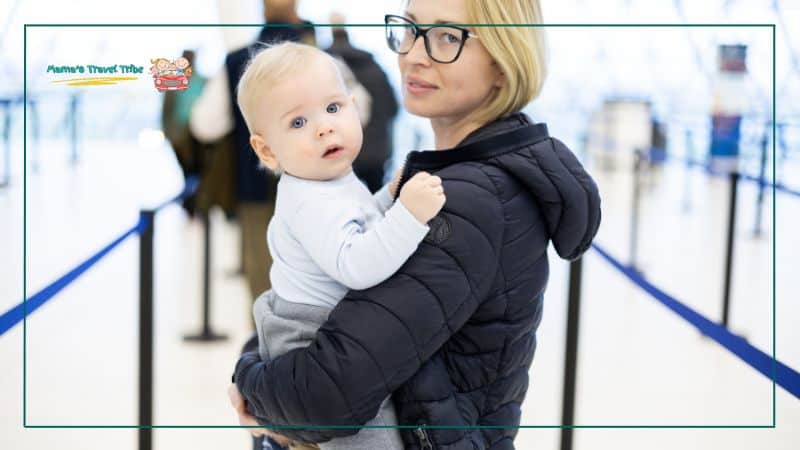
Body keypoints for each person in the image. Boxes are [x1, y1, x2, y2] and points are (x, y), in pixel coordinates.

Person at [230, 1, 602, 449]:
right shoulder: (457, 179)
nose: (414, 54)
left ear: (504, 62)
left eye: (447, 37)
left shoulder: (468, 201)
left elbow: (328, 396)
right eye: (410, 30)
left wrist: (251, 381)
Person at [236, 41, 446, 450]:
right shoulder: (308, 199)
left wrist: (390, 196)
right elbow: (356, 264)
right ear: (266, 150)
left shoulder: (329, 180)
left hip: (328, 329)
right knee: (367, 433)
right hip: (311, 337)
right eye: (298, 123)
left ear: (354, 106)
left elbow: (361, 222)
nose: (323, 127)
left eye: (333, 109)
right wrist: (409, 215)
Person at [190, 0, 316, 301]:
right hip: (317, 190)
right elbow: (358, 112)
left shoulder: (237, 61)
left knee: (264, 288)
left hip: (255, 188)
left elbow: (204, 124)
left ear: (262, 10)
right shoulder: (320, 59)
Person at [326, 13, 399, 193]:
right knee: (378, 205)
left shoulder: (324, 70)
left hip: (340, 155)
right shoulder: (374, 68)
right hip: (377, 154)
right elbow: (393, 108)